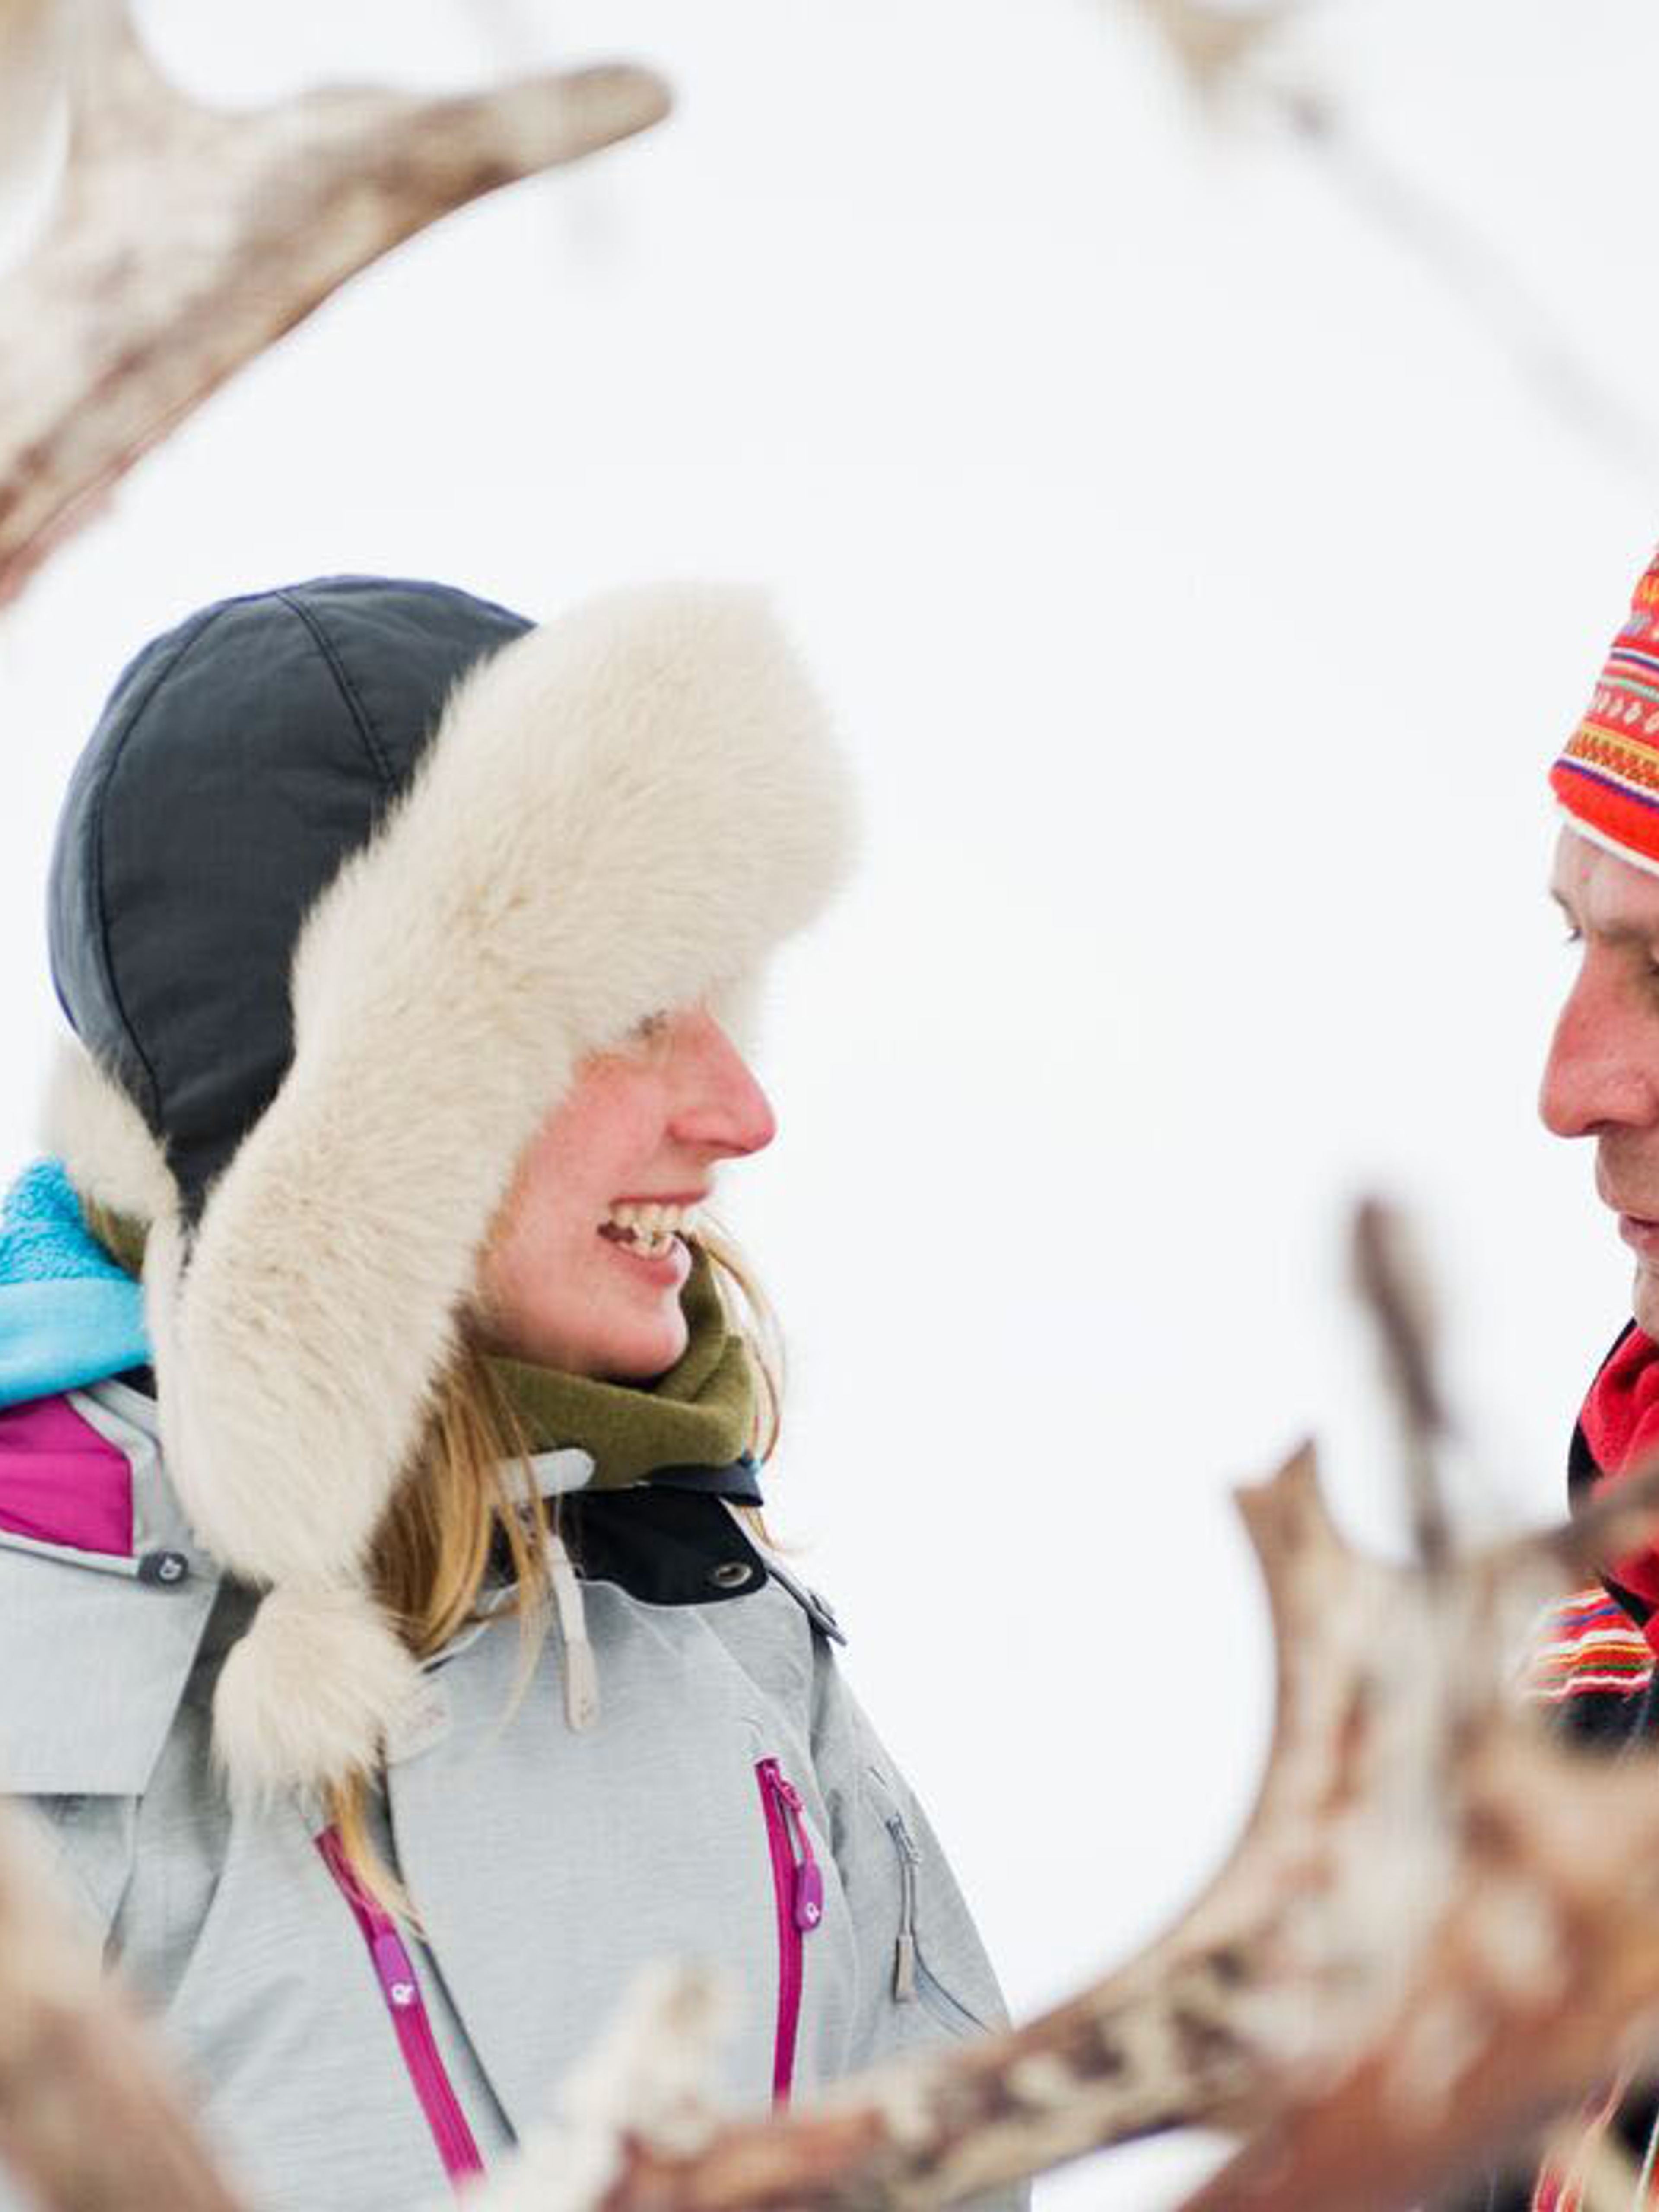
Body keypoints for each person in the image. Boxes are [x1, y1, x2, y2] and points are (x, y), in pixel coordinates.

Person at [0, 577, 1017, 2210]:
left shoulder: (708, 1613)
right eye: (627, 1012)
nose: (743, 1111)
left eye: (716, 994)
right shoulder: (44, 1704)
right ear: (361, 1115)